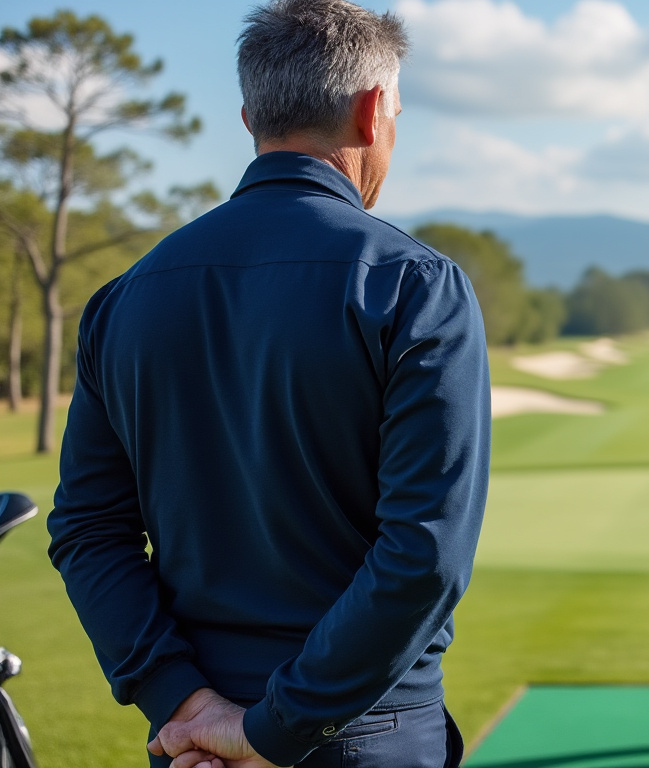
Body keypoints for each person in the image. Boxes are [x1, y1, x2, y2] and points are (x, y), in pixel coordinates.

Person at [46, 2, 490, 766]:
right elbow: (422, 556)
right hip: (360, 735)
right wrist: (267, 731)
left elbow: (88, 532)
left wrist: (187, 704)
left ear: (252, 115)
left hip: (192, 742)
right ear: (373, 109)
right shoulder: (416, 286)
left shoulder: (124, 297)